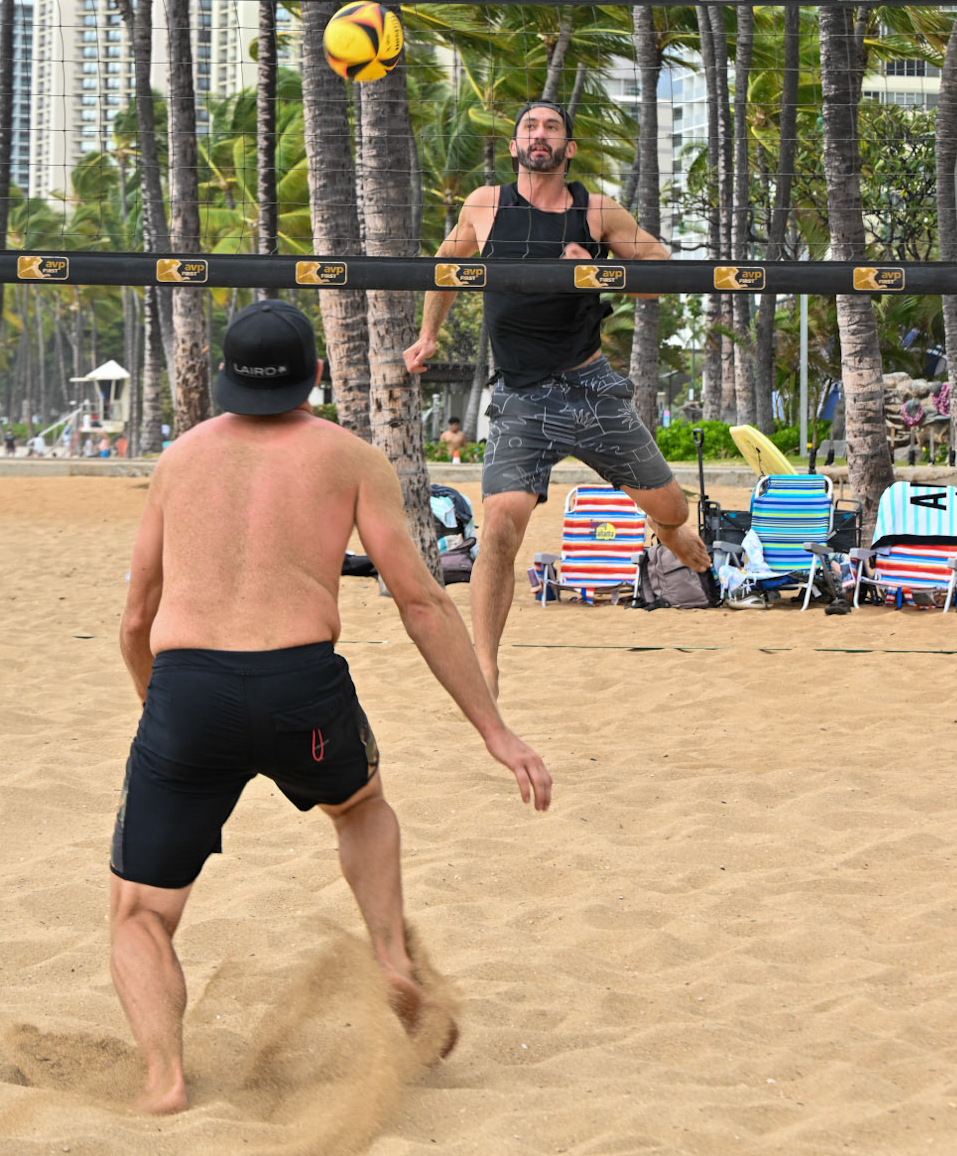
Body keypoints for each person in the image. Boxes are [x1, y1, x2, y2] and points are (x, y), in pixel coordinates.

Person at [111, 299, 550, 1115]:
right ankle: (389, 956)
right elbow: (419, 600)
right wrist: (495, 730)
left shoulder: (179, 459)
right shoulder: (350, 458)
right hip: (301, 686)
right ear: (314, 374)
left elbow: (137, 617)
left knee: (140, 913)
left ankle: (164, 1079)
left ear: (224, 377)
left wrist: (155, 706)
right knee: (359, 807)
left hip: (188, 693)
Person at [403, 100, 710, 695]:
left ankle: (666, 528)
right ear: (514, 146)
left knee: (675, 510)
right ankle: (485, 665)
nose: (539, 135)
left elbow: (663, 272)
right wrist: (428, 334)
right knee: (499, 525)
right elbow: (446, 264)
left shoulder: (596, 211)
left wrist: (598, 271)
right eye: (529, 127)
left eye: (551, 128)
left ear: (568, 149)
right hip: (521, 397)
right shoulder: (485, 205)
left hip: (591, 388)